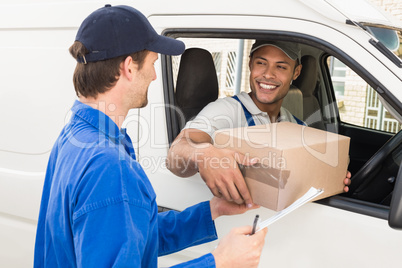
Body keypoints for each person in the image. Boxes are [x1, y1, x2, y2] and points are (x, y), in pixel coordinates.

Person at [33, 5, 268, 268]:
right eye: (153, 63)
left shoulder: (75, 136)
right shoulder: (109, 167)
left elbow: (132, 234)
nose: (155, 76)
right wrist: (220, 262)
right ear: (129, 68)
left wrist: (211, 211)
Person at [167, 40, 352, 208]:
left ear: (296, 72)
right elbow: (176, 153)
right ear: (250, 64)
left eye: (281, 67)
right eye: (261, 63)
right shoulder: (226, 110)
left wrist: (330, 177)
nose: (268, 75)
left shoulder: (296, 125)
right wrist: (204, 155)